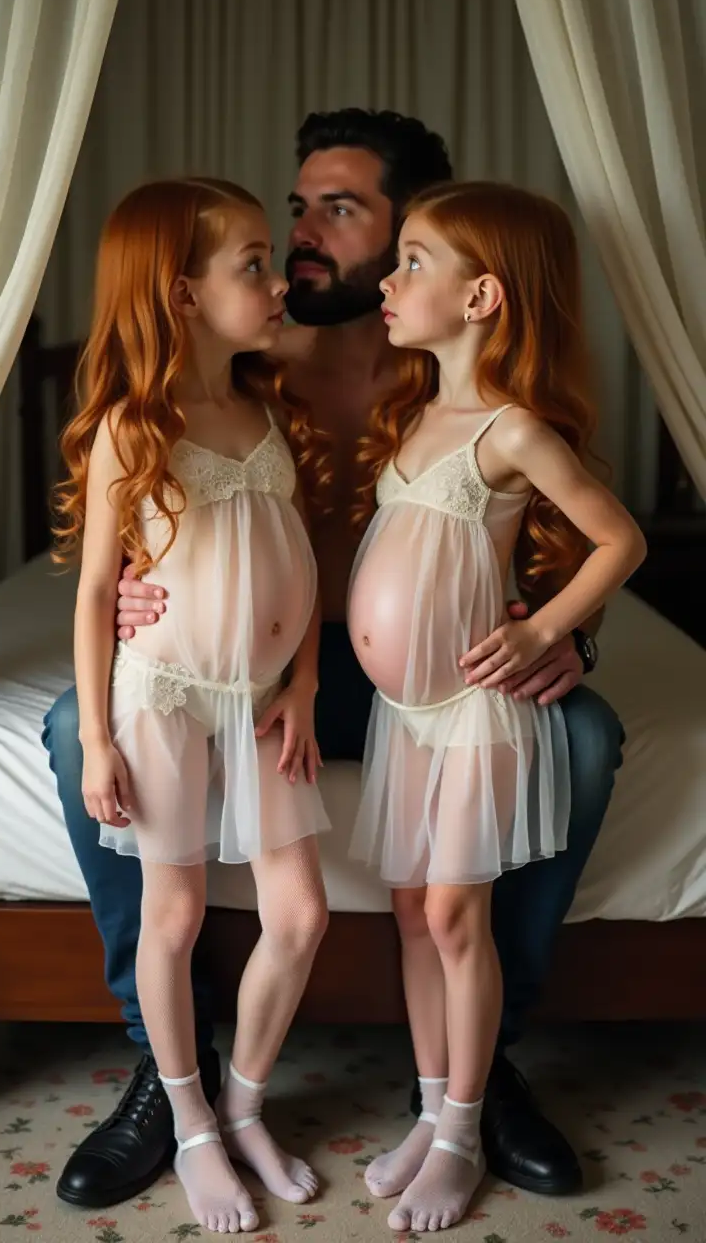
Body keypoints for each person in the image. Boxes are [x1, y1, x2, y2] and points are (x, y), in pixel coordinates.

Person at [43, 109, 625, 1210]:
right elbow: (161, 519)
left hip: (412, 670)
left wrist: (565, 631)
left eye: (340, 212)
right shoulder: (257, 359)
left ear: (426, 242)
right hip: (236, 669)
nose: (304, 236)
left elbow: (556, 534)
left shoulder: (446, 375)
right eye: (294, 210)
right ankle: (165, 1069)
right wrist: (133, 589)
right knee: (77, 730)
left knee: (585, 737)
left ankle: (475, 1064)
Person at [344, 180, 646, 1232]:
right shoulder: (417, 411)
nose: (387, 278)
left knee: (451, 917)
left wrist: (543, 627)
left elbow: (620, 540)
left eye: (412, 261)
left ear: (481, 297)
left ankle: (466, 1129)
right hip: (404, 716)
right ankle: (431, 1111)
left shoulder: (511, 431)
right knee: (406, 914)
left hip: (471, 708)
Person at [53, 177, 332, 1233]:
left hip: (260, 700)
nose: (274, 280)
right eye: (251, 264)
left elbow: (296, 564)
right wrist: (93, 739)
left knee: (298, 914)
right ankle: (191, 1126)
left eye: (270, 259)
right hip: (165, 697)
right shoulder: (139, 426)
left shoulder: (266, 404)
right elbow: (93, 595)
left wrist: (303, 683)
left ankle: (245, 1100)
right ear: (179, 294)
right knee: (169, 918)